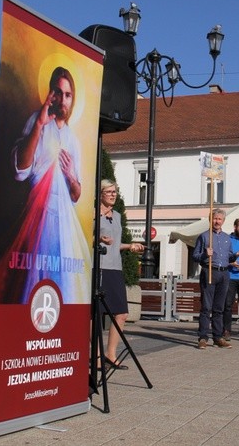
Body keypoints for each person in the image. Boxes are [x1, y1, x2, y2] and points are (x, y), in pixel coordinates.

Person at [9, 66, 89, 304]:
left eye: (68, 95)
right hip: (36, 217)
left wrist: (71, 177)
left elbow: (76, 194)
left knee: (61, 286)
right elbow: (20, 171)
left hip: (64, 226)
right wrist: (38, 126)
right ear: (51, 93)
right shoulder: (37, 121)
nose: (63, 99)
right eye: (59, 92)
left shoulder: (74, 140)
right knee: (32, 285)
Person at [98, 179, 144, 370]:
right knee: (96, 314)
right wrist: (98, 238)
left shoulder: (116, 215)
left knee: (122, 314)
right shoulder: (94, 214)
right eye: (109, 192)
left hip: (115, 268)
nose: (113, 195)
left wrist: (130, 246)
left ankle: (111, 354)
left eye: (115, 192)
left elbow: (115, 244)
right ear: (100, 194)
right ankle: (97, 357)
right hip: (98, 267)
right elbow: (82, 236)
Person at [193, 209, 233, 349]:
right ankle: (203, 337)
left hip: (224, 273)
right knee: (206, 307)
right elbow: (195, 256)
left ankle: (218, 337)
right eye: (215, 218)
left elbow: (229, 256)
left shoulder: (227, 238)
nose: (217, 221)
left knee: (219, 308)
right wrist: (205, 254)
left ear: (223, 221)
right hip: (209, 271)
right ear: (211, 219)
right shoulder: (204, 236)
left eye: (219, 219)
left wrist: (236, 256)